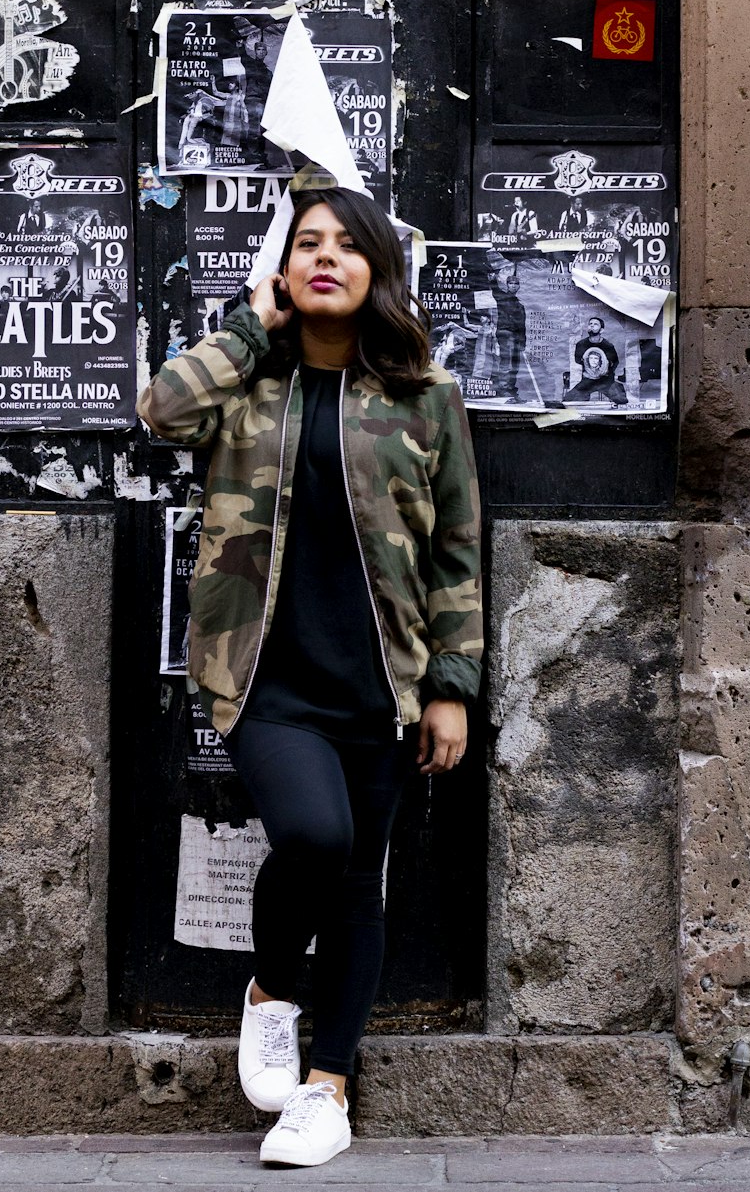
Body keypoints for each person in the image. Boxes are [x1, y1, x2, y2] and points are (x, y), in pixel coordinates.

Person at [138, 188, 482, 1169]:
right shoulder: (246, 382)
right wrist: (253, 322)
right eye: (305, 244)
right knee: (312, 834)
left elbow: (456, 552)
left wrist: (451, 683)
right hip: (260, 675)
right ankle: (271, 992)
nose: (324, 257)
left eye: (344, 244)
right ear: (281, 269)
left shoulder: (426, 398)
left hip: (381, 683)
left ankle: (326, 1092)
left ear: (377, 265)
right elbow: (161, 411)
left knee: (358, 884)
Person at [564, 316, 628, 405]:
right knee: (568, 401)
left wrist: (606, 373)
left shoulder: (608, 346)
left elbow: (615, 362)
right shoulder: (581, 344)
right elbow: (578, 360)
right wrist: (590, 371)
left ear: (601, 330)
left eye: (595, 324)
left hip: (606, 381)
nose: (592, 326)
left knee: (622, 401)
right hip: (588, 381)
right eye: (590, 324)